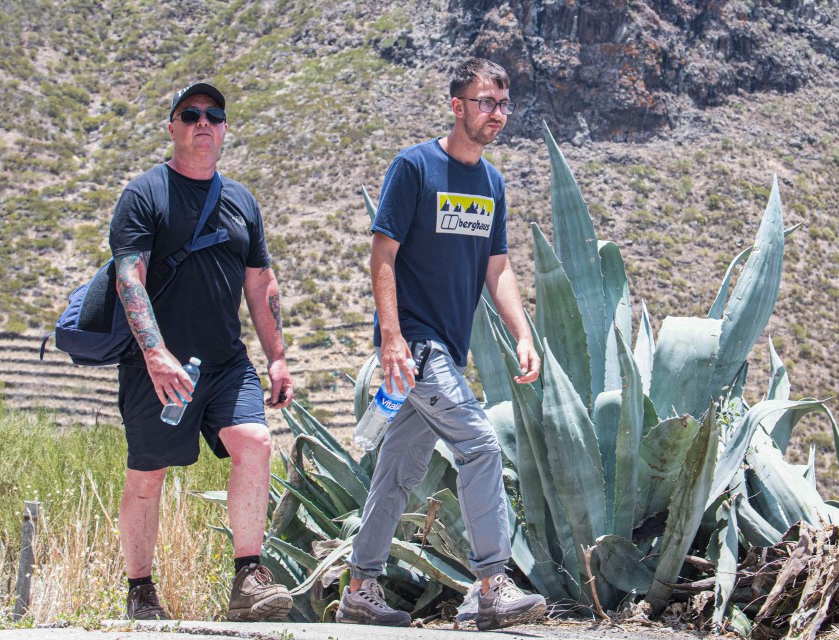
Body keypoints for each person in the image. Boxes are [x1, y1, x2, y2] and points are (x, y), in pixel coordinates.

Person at [336, 58, 546, 631]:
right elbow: (383, 254)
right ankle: (490, 587)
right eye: (485, 103)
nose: (496, 114)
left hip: (449, 352)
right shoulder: (415, 167)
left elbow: (497, 269)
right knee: (481, 445)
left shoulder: (492, 183)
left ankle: (360, 587)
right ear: (457, 106)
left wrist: (522, 334)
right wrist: (392, 339)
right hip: (418, 348)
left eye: (503, 104)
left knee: (397, 472)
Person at [109, 82, 295, 622]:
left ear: (224, 129)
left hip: (224, 362)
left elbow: (261, 282)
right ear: (172, 128)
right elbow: (129, 277)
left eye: (213, 115)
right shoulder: (145, 194)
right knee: (148, 476)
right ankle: (141, 592)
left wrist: (277, 357)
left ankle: (248, 579)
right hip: (158, 365)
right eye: (190, 114)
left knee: (255, 441)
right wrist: (155, 353)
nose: (203, 122)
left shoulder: (241, 200)